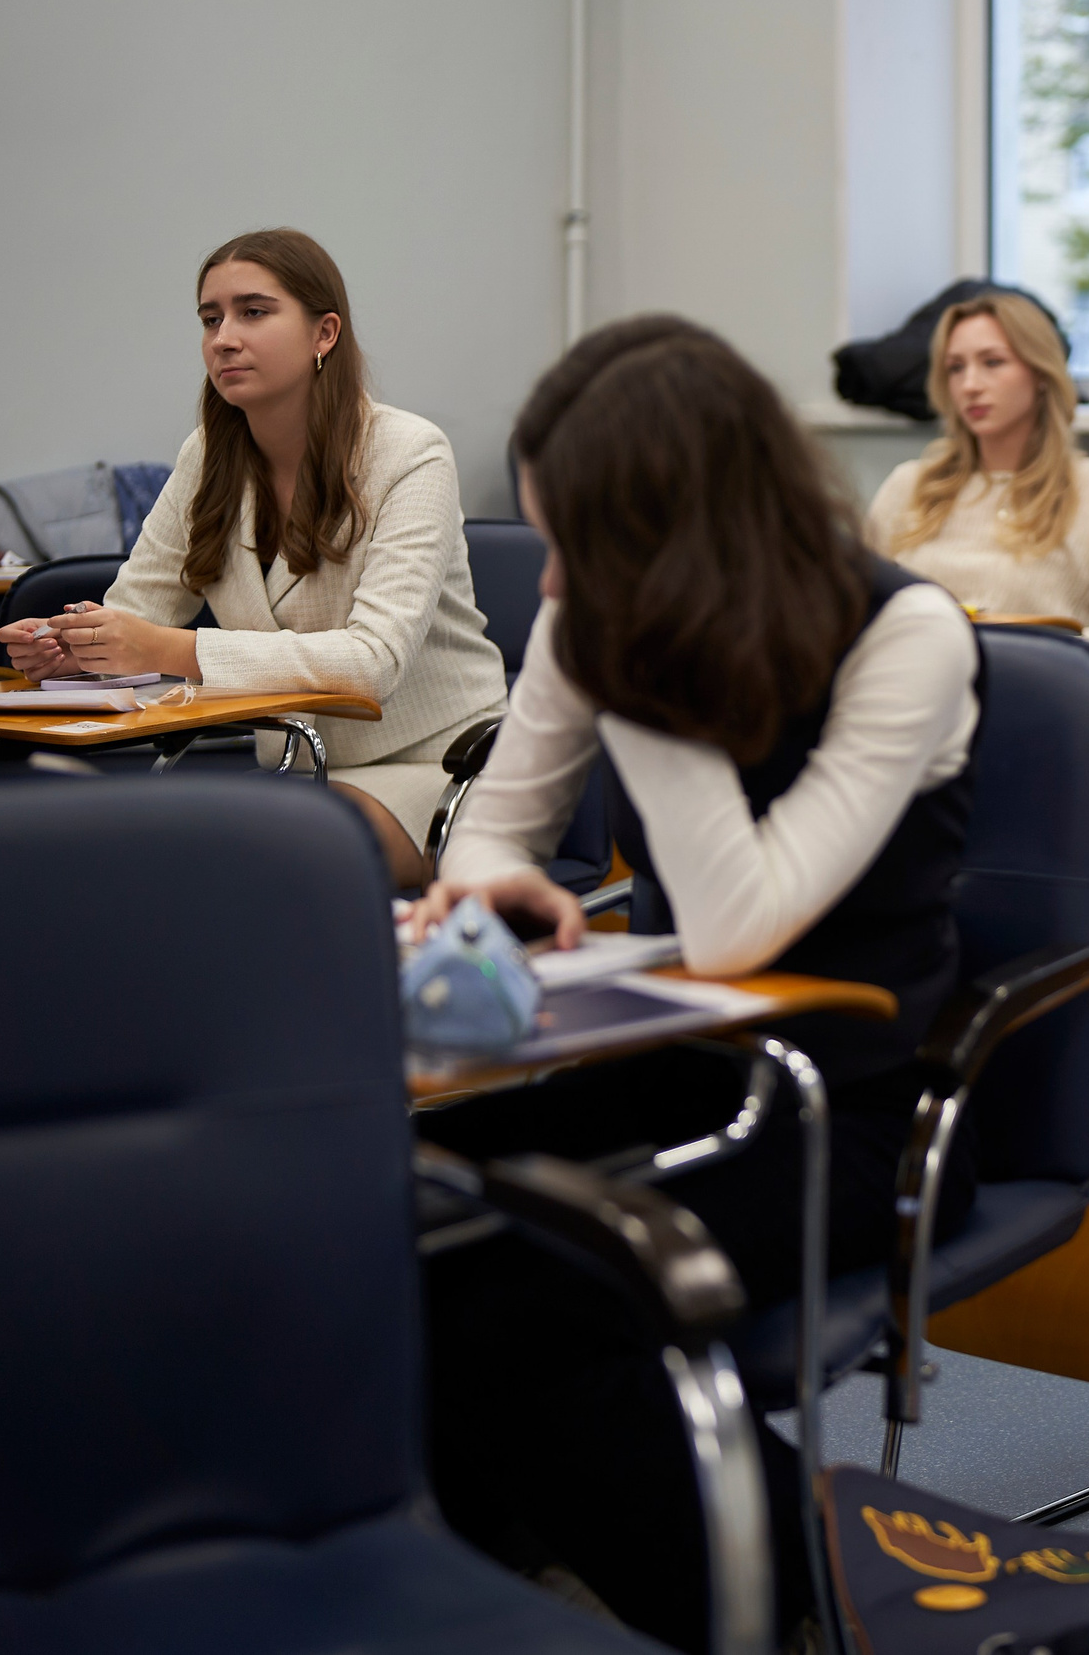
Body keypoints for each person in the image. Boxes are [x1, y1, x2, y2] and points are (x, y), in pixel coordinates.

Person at [410, 316, 982, 1651]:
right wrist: (495, 879)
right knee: (385, 1193)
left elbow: (737, 924)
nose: (551, 582)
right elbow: (495, 822)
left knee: (520, 1305)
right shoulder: (605, 606)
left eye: (578, 545)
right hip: (669, 1064)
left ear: (674, 526)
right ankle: (486, 1552)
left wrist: (631, 667)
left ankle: (811, 1603)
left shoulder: (907, 635)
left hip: (847, 1103)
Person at [0, 228, 507, 886]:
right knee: (140, 858)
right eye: (211, 319)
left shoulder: (409, 453)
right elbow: (134, 614)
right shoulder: (207, 455)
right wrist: (80, 650)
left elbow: (372, 662)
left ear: (325, 334)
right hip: (300, 774)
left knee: (252, 867)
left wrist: (164, 649)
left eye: (253, 312)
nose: (223, 338)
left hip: (443, 771)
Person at [865, 290, 1089, 667]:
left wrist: (1017, 658)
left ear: (1040, 373)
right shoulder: (908, 485)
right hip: (911, 687)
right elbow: (854, 607)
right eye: (955, 368)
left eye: (992, 362)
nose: (970, 385)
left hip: (1026, 699)